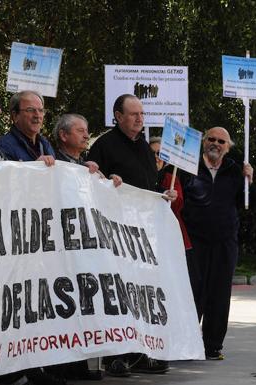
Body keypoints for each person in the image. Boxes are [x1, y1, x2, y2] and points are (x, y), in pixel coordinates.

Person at [88, 94, 173, 377]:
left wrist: (164, 193)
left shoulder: (145, 149)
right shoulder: (103, 146)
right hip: (116, 236)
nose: (139, 118)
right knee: (120, 296)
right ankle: (116, 356)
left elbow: (150, 186)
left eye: (142, 114)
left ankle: (141, 353)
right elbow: (92, 184)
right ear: (118, 115)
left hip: (144, 236)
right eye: (133, 114)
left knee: (142, 296)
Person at [181, 127, 253, 360]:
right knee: (193, 291)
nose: (215, 143)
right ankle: (187, 343)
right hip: (194, 241)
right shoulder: (187, 166)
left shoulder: (234, 170)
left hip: (224, 241)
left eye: (221, 141)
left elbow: (248, 203)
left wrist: (249, 181)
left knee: (219, 293)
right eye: (211, 139)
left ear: (228, 146)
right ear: (203, 142)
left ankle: (212, 346)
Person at [54, 113, 122, 187]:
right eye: (80, 131)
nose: (86, 136)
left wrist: (109, 183)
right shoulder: (51, 164)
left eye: (86, 131)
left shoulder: (89, 167)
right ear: (63, 135)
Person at [149, 136, 191, 250]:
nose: (156, 157)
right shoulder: (139, 176)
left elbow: (178, 206)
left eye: (159, 153)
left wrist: (174, 197)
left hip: (168, 234)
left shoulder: (171, 179)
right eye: (152, 153)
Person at [0, 90, 55, 166]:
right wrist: (34, 167)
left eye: (41, 110)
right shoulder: (3, 146)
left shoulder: (46, 145)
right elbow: (6, 177)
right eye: (30, 110)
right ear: (15, 116)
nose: (37, 115)